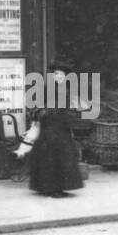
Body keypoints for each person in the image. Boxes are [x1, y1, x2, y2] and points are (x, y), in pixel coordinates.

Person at [16, 61, 84, 198]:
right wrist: (45, 111)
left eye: (60, 74)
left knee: (62, 157)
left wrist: (71, 112)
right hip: (50, 126)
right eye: (55, 74)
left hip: (62, 126)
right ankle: (50, 188)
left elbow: (71, 108)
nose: (57, 76)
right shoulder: (47, 88)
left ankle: (60, 187)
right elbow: (39, 106)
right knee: (50, 157)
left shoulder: (67, 90)